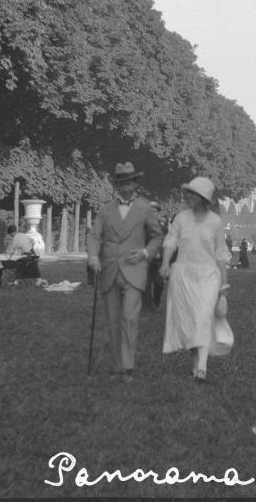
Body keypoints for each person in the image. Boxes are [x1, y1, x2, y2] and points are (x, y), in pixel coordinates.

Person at [87, 162, 165, 381]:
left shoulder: (145, 208)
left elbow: (157, 236)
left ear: (135, 184)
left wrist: (145, 253)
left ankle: (128, 366)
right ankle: (116, 367)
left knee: (129, 318)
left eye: (129, 183)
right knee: (113, 321)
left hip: (134, 270)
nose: (125, 188)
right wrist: (93, 256)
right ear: (116, 185)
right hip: (109, 270)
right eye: (121, 183)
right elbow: (94, 236)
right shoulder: (105, 209)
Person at [160, 177, 233, 383]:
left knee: (202, 319)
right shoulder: (181, 218)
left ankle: (202, 367)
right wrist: (165, 263)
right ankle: (195, 365)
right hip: (183, 276)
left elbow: (220, 254)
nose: (187, 197)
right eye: (188, 194)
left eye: (192, 194)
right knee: (188, 323)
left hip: (208, 277)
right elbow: (171, 241)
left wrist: (224, 284)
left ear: (202, 198)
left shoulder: (215, 222)